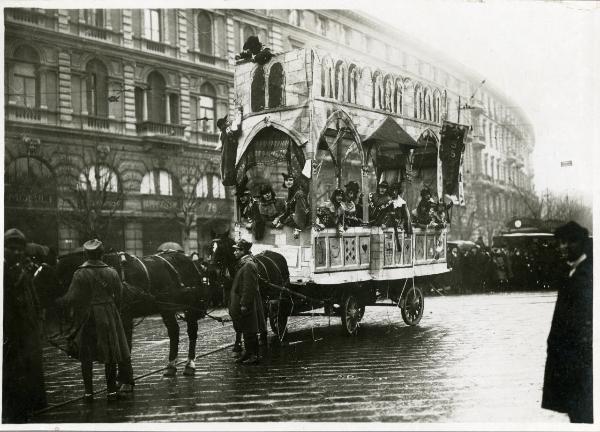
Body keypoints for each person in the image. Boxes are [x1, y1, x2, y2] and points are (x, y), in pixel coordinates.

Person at [57, 239, 132, 402]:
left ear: (85, 254)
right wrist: (113, 311)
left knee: (86, 355)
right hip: (108, 314)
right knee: (111, 353)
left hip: (87, 317)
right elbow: (119, 295)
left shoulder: (79, 273)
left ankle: (88, 393)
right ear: (102, 254)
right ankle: (112, 392)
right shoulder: (111, 272)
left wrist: (58, 302)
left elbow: (72, 297)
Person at [542, 221, 593, 423]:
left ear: (582, 243)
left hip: (578, 360)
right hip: (569, 359)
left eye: (570, 242)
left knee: (583, 413)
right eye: (561, 243)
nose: (564, 247)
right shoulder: (572, 272)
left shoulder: (586, 274)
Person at [3, 228, 47, 422]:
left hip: (29, 332)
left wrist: (39, 319)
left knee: (32, 371)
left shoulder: (22, 271)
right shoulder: (7, 272)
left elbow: (33, 299)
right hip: (12, 335)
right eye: (11, 248)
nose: (17, 253)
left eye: (20, 249)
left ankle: (33, 407)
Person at [228, 240, 266, 365]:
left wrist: (244, 304)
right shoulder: (243, 264)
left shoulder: (248, 265)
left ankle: (254, 355)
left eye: (237, 250)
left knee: (250, 330)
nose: (234, 252)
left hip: (248, 304)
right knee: (246, 329)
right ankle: (248, 353)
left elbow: (249, 287)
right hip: (243, 303)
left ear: (243, 251)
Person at [273, 173, 310, 238]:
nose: (288, 182)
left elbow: (301, 211)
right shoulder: (291, 190)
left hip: (301, 220)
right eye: (286, 180)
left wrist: (297, 227)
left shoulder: (299, 193)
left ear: (294, 181)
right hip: (294, 216)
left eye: (290, 180)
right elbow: (289, 209)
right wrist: (280, 220)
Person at [216, 106, 243, 186]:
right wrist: (239, 119)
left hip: (226, 153)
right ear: (223, 125)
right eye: (226, 121)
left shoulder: (222, 133)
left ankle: (229, 179)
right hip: (230, 152)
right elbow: (237, 133)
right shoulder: (227, 130)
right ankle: (231, 179)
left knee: (228, 166)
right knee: (231, 166)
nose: (228, 122)